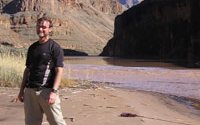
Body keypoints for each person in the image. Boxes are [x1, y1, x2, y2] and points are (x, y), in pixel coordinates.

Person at [16, 16, 67, 125]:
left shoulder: (55, 47)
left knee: (57, 122)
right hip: (30, 92)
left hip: (46, 92)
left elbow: (59, 71)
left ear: (50, 29)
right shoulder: (32, 48)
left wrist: (54, 92)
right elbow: (27, 70)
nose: (40, 29)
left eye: (44, 27)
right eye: (39, 26)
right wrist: (21, 91)